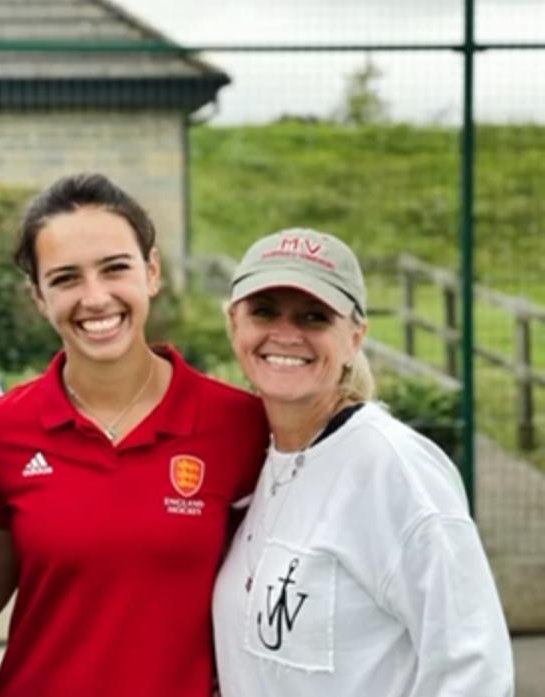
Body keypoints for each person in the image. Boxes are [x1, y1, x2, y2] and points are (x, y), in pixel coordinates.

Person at [0, 173, 269, 697]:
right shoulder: (1, 428)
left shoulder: (239, 426)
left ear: (151, 271)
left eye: (115, 269)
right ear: (40, 296)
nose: (96, 298)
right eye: (65, 279)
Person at [212, 227, 514, 695]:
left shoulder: (393, 467)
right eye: (264, 311)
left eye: (314, 317)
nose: (287, 334)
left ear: (355, 336)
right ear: (235, 324)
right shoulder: (258, 458)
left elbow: (474, 668)